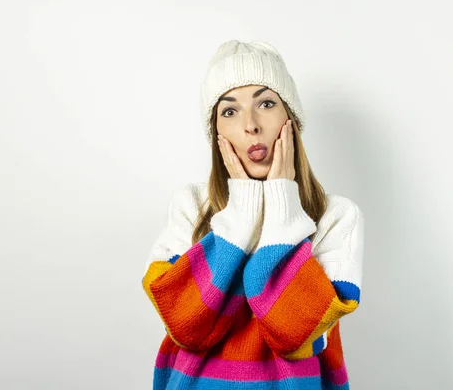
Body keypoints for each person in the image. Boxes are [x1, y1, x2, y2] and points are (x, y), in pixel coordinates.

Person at [141, 39, 365, 389]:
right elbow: (185, 327)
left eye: (266, 103)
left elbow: (292, 335)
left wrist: (282, 205)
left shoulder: (336, 217)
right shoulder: (190, 207)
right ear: (217, 133)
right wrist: (240, 217)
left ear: (290, 118)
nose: (251, 125)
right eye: (229, 111)